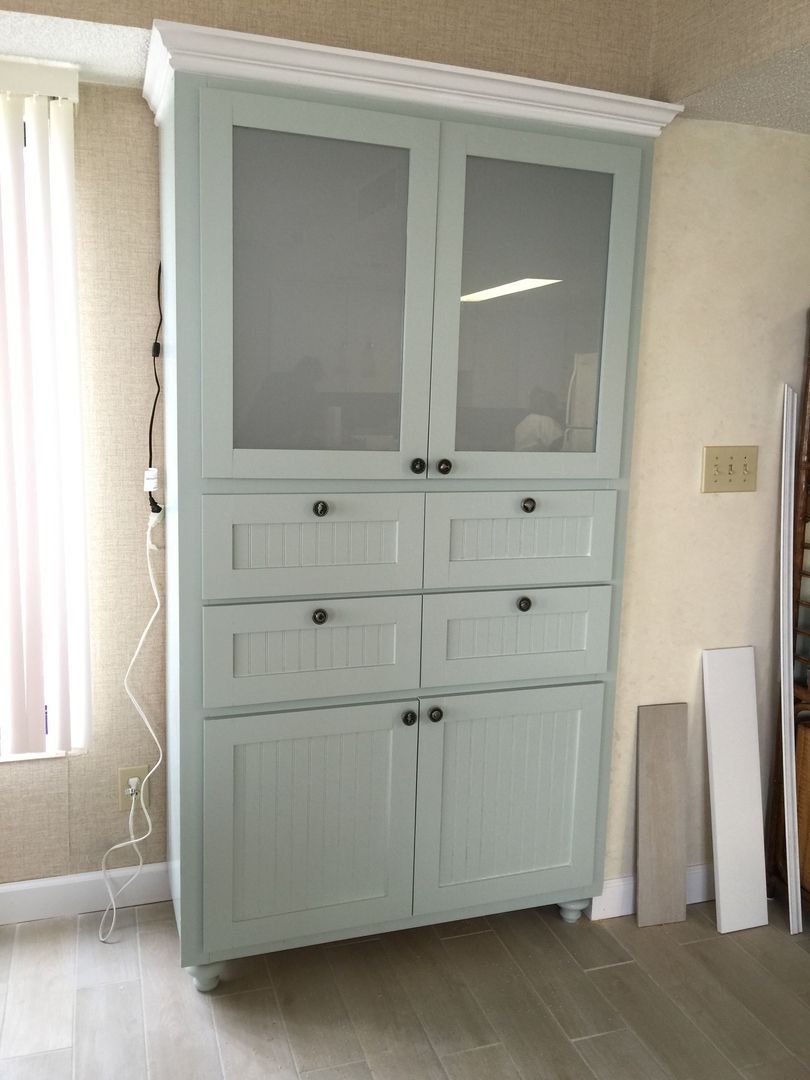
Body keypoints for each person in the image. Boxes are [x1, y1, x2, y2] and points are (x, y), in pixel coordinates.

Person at [514, 387, 563, 451]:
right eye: (555, 407)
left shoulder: (523, 422)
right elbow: (559, 442)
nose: (557, 411)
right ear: (547, 407)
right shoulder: (547, 421)